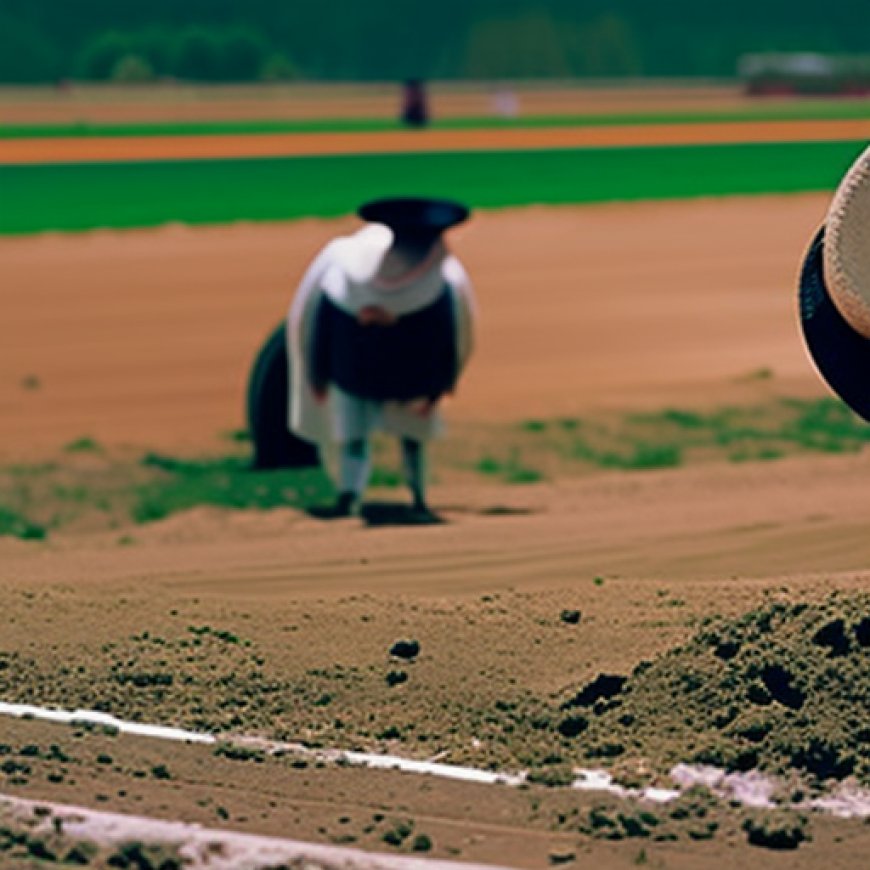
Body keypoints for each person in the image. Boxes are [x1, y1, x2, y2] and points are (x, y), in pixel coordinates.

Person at [286, 196, 476, 521]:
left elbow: (454, 335)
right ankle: (354, 497)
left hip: (401, 375)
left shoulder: (443, 280)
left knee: (407, 437)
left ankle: (408, 496)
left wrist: (439, 384)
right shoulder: (344, 264)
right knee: (357, 437)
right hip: (356, 370)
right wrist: (316, 372)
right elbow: (311, 320)